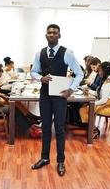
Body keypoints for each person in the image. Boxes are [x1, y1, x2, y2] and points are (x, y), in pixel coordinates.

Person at [30, 24, 83, 176]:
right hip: (45, 95)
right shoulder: (39, 53)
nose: (52, 34)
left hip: (60, 96)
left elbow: (79, 73)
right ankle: (44, 158)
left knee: (59, 129)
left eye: (55, 33)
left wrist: (71, 89)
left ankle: (60, 161)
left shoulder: (67, 53)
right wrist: (41, 77)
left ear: (59, 36)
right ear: (46, 35)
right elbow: (33, 71)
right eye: (49, 32)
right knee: (46, 128)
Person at [79, 62, 110, 138]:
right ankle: (91, 128)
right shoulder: (106, 80)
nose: (98, 72)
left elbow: (103, 100)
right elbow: (98, 93)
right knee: (84, 108)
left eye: (100, 71)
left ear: (104, 71)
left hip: (107, 106)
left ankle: (94, 129)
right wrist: (89, 91)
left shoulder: (108, 83)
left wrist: (93, 103)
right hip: (105, 104)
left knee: (84, 109)